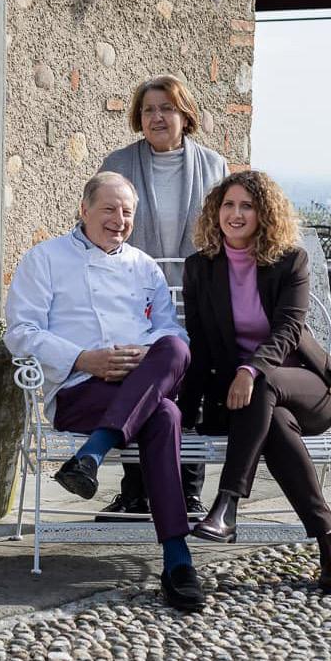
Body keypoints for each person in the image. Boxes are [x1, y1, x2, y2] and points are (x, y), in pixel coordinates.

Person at [4, 171, 205, 612]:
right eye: (109, 209)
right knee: (165, 414)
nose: (119, 220)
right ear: (84, 209)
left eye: (127, 212)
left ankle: (91, 455)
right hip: (79, 391)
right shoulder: (45, 259)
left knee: (174, 351)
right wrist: (83, 359)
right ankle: (177, 560)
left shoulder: (144, 266)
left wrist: (144, 355)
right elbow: (20, 333)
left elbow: (171, 331)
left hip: (138, 385)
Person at [178, 170, 331, 595]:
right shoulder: (200, 268)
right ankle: (329, 546)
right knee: (277, 427)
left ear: (264, 213)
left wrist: (249, 370)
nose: (235, 213)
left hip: (310, 388)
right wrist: (185, 411)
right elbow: (201, 344)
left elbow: (288, 329)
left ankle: (227, 504)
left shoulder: (290, 261)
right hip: (246, 403)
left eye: (247, 206)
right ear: (216, 212)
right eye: (228, 204)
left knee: (264, 384)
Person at [96, 75, 228, 521]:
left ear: (184, 115)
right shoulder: (117, 164)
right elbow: (100, 228)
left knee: (193, 391)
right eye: (149, 109)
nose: (157, 117)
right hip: (136, 298)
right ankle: (135, 492)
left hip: (198, 299)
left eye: (167, 108)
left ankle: (188, 493)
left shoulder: (214, 166)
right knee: (139, 384)